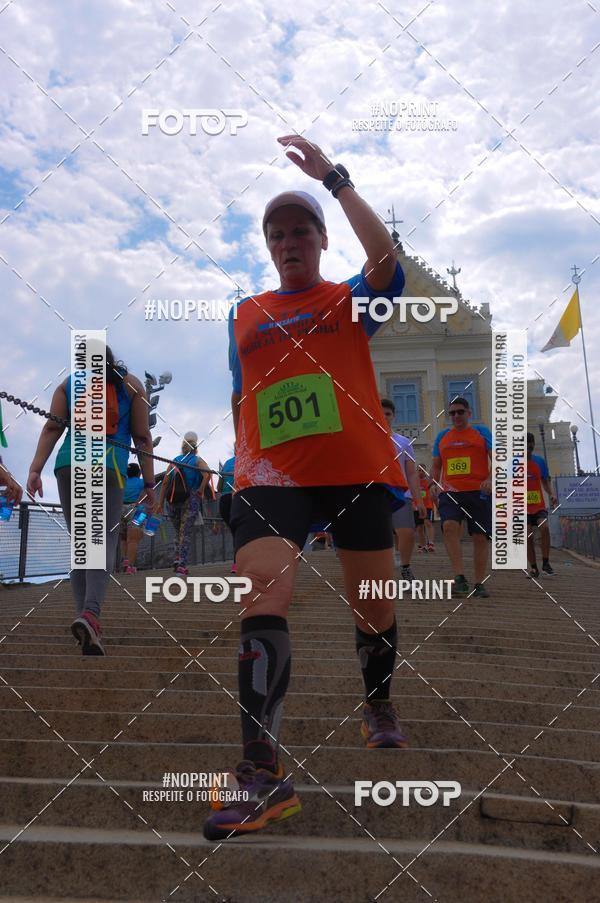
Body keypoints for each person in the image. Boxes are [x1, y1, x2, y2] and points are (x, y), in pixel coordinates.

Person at [203, 135, 409, 843]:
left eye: (300, 231)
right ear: (267, 246)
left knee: (373, 604)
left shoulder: (349, 299)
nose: (287, 241)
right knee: (262, 586)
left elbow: (388, 264)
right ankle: (261, 772)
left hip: (354, 465)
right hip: (272, 473)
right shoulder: (244, 314)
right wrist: (236, 469)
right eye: (276, 234)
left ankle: (378, 703)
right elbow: (240, 397)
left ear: (321, 241)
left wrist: (334, 179)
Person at [26, 346, 155, 654]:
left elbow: (52, 426)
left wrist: (34, 469)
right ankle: (91, 614)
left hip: (68, 465)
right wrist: (150, 483)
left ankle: (86, 618)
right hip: (108, 466)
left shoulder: (70, 384)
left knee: (81, 543)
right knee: (103, 541)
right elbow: (143, 437)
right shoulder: (131, 384)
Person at [430, 397, 492, 598]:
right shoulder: (442, 436)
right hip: (451, 492)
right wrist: (433, 483)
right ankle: (459, 578)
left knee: (480, 537)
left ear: (469, 413)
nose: (456, 416)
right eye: (452, 413)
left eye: (460, 412)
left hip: (478, 492)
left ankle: (479, 582)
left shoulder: (481, 433)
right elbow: (437, 465)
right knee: (448, 527)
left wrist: (491, 478)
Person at [381, 399, 426, 578]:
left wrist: (419, 500)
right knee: (380, 535)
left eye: (388, 414)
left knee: (407, 532)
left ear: (393, 417)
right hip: (376, 494)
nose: (384, 417)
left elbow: (412, 473)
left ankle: (405, 566)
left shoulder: (404, 442)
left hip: (401, 494)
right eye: (381, 413)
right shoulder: (367, 441)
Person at [158, 431, 209, 576]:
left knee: (177, 531)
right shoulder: (197, 460)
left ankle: (176, 559)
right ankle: (181, 564)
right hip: (190, 499)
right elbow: (207, 474)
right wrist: (200, 490)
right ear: (195, 447)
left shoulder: (175, 460)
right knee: (184, 532)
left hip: (172, 500)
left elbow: (165, 482)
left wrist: (160, 502)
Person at [526, 432, 557, 578]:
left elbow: (545, 482)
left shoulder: (539, 461)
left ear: (533, 446)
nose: (527, 450)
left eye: (530, 447)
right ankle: (533, 568)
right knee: (527, 536)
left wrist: (551, 494)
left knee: (544, 528)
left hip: (538, 505)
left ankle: (546, 562)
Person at [120, 461, 145, 574]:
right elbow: (147, 495)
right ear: (139, 472)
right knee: (133, 540)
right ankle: (130, 566)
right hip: (137, 511)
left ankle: (125, 561)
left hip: (120, 509)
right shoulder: (141, 482)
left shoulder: (122, 482)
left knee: (123, 538)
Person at [218, 450, 236, 572]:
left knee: (235, 531)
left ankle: (237, 562)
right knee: (242, 531)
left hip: (224, 500)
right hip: (239, 497)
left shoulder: (226, 463)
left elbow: (218, 487)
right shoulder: (247, 459)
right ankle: (238, 562)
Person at [415, 472, 435, 553]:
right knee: (419, 527)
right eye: (418, 470)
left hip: (428, 506)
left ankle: (430, 543)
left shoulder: (428, 482)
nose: (420, 472)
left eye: (422, 470)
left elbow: (433, 494)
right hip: (417, 506)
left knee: (427, 523)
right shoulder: (415, 482)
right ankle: (422, 546)